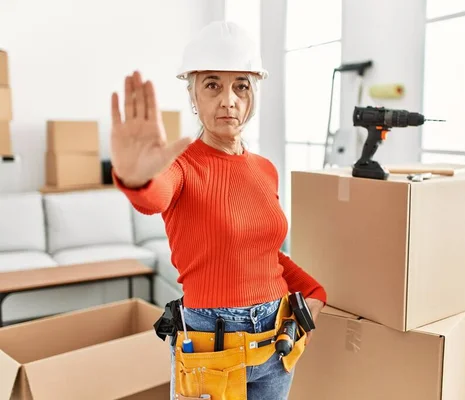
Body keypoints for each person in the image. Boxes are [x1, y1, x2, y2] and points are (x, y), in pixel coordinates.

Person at [109, 20, 327, 400]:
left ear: (253, 93)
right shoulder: (180, 166)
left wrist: (311, 289)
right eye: (212, 85)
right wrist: (135, 177)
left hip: (276, 339)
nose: (229, 100)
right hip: (212, 344)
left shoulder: (265, 169)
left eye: (241, 86)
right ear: (193, 95)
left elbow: (263, 250)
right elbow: (153, 197)